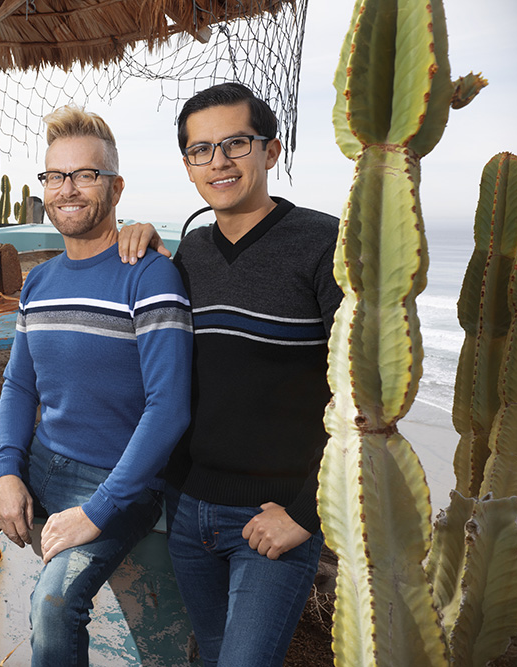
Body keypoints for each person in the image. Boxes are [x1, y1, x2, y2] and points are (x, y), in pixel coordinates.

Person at [0, 106, 192, 667]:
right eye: (54, 176)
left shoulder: (150, 274)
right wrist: (5, 474)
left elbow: (169, 409)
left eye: (84, 175)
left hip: (117, 484)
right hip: (44, 459)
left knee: (52, 603)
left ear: (115, 187)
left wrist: (98, 510)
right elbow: (19, 386)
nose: (67, 189)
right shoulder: (41, 283)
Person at [118, 82, 343, 667]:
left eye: (236, 143)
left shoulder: (325, 243)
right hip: (191, 510)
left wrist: (304, 513)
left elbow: (360, 396)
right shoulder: (190, 252)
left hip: (275, 516)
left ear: (270, 152)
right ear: (188, 165)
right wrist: (142, 240)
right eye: (200, 149)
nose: (218, 161)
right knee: (212, 653)